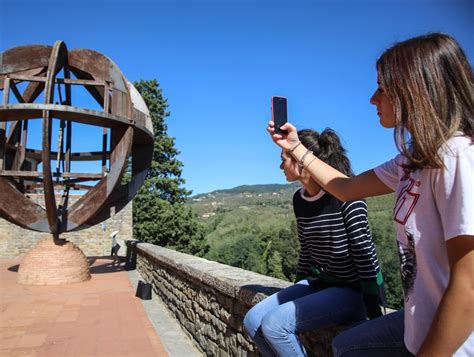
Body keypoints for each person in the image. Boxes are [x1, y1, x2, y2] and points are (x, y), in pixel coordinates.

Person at [267, 32, 473, 356]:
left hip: (452, 345)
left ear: (413, 90)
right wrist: (296, 149)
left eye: (381, 88)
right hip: (417, 325)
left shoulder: (458, 156)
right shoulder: (413, 159)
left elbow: (470, 285)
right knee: (345, 347)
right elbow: (346, 188)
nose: (372, 99)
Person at [244, 128, 386, 356]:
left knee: (275, 325)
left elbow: (365, 254)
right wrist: (297, 293)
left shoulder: (347, 196)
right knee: (252, 321)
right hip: (320, 283)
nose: (280, 167)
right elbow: (307, 252)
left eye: (284, 160)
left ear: (302, 161)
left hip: (352, 291)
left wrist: (374, 313)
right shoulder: (299, 200)